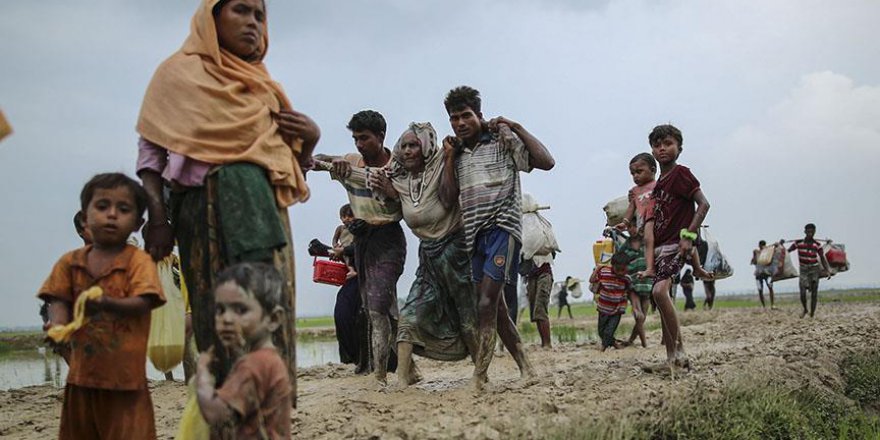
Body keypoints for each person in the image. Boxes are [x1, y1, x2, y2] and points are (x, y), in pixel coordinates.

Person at [136, 0, 320, 401]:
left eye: (260, 16)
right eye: (241, 10)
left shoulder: (264, 86)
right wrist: (158, 216)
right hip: (202, 211)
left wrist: (310, 140)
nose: (253, 23)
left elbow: (287, 168)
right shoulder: (176, 75)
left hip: (265, 215)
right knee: (214, 315)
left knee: (269, 314)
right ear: (211, 17)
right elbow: (151, 157)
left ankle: (271, 413)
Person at [440, 86, 554, 390]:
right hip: (473, 236)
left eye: (466, 116)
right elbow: (448, 198)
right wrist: (449, 158)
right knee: (495, 307)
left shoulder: (503, 141)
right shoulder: (457, 154)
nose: (460, 123)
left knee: (486, 302)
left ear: (479, 114)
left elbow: (546, 162)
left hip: (503, 229)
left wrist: (514, 126)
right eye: (454, 118)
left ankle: (480, 374)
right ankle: (527, 369)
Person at [38, 173, 166, 440]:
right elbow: (58, 299)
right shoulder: (69, 263)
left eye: (123, 209)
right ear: (85, 217)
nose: (111, 215)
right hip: (81, 379)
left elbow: (145, 301)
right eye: (102, 206)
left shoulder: (138, 263)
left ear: (137, 224)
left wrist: (108, 303)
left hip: (126, 381)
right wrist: (58, 326)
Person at [369, 122, 478, 388]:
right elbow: (366, 175)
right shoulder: (399, 180)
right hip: (428, 256)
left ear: (425, 147)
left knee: (468, 316)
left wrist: (451, 156)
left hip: (456, 252)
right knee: (409, 315)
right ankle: (405, 378)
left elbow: (451, 197)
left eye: (413, 145)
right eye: (403, 146)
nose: (407, 151)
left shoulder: (441, 166)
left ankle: (481, 370)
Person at [315, 110, 405, 385]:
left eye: (364, 138)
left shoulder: (398, 167)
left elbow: (413, 204)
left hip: (388, 238)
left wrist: (391, 191)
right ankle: (406, 364)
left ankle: (380, 377)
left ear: (380, 137)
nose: (359, 144)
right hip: (361, 241)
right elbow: (316, 161)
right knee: (378, 306)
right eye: (355, 139)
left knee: (377, 306)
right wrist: (335, 161)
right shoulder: (351, 163)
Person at [640, 124, 711, 368]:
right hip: (661, 248)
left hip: (676, 245)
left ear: (679, 148)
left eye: (668, 144)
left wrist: (689, 236)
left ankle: (678, 355)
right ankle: (674, 357)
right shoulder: (659, 183)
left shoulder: (681, 174)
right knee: (660, 298)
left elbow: (703, 205)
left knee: (659, 292)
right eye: (657, 145)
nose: (662, 149)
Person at [196, 262, 290, 439]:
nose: (227, 319)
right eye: (220, 310)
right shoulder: (270, 359)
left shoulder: (252, 365)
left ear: (273, 319)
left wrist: (202, 374)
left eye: (241, 310)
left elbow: (215, 414)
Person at [329, 204, 364, 369]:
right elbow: (341, 246)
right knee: (343, 314)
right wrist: (339, 251)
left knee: (354, 316)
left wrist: (343, 251)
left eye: (349, 216)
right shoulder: (343, 230)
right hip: (352, 277)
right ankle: (351, 358)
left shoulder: (364, 229)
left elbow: (362, 249)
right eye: (344, 216)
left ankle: (358, 358)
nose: (346, 219)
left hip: (365, 277)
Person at [590, 252, 642, 352]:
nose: (620, 273)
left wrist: (635, 307)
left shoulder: (626, 279)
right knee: (601, 332)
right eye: (618, 269)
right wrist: (597, 269)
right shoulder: (605, 272)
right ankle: (614, 343)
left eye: (623, 270)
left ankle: (603, 348)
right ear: (612, 266)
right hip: (603, 308)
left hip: (617, 309)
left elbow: (631, 292)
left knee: (609, 331)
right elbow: (592, 280)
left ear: (627, 268)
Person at [788, 223, 832, 318]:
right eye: (808, 232)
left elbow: (822, 258)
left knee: (814, 293)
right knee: (802, 292)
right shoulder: (798, 243)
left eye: (812, 232)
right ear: (805, 232)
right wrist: (780, 244)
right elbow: (788, 251)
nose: (810, 234)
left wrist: (827, 270)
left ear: (814, 232)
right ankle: (805, 309)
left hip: (814, 269)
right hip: (803, 269)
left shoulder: (817, 245)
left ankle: (812, 314)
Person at [621, 224, 650, 347]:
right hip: (632, 282)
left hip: (647, 283)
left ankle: (631, 340)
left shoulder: (647, 242)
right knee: (638, 314)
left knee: (642, 317)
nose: (631, 230)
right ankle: (644, 344)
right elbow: (619, 261)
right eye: (629, 227)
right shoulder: (625, 246)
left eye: (633, 226)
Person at [523, 255, 555, 348]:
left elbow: (552, 253)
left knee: (540, 308)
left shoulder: (544, 242)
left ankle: (547, 343)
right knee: (535, 312)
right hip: (531, 276)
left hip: (544, 274)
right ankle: (543, 342)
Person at [750, 240, 776, 309]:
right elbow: (754, 262)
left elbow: (770, 261)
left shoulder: (768, 252)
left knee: (770, 288)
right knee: (760, 290)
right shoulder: (756, 253)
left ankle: (772, 305)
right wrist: (754, 255)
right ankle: (764, 306)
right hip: (758, 274)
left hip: (767, 273)